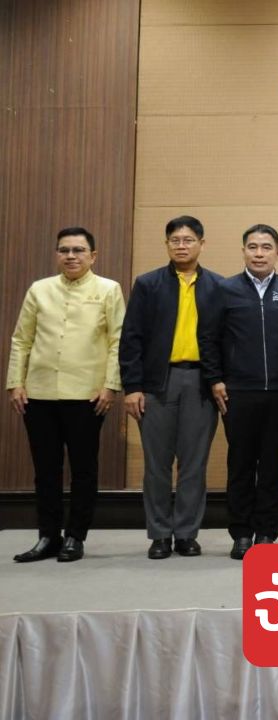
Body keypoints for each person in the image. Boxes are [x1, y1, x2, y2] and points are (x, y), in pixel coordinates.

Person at [7, 228, 124, 563]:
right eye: (64, 250)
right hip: (38, 393)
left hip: (87, 395)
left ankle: (75, 536)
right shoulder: (39, 289)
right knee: (46, 469)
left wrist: (110, 385)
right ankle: (48, 536)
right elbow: (21, 339)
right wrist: (15, 382)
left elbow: (117, 340)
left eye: (79, 250)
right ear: (57, 254)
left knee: (83, 469)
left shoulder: (108, 289)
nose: (71, 256)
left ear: (93, 255)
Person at [121, 216, 224, 559]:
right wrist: (132, 387)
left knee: (194, 463)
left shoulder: (217, 286)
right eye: (175, 240)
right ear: (166, 245)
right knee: (157, 464)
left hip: (200, 382)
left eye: (188, 240)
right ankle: (160, 534)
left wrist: (219, 380)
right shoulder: (148, 284)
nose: (181, 246)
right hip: (157, 382)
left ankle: (186, 534)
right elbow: (131, 339)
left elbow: (224, 340)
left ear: (202, 244)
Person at [203, 224, 278, 560]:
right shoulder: (223, 289)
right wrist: (215, 379)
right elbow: (208, 338)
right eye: (253, 247)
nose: (259, 253)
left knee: (273, 465)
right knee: (241, 464)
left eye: (266, 247)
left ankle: (266, 533)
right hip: (238, 392)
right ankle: (242, 533)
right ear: (243, 250)